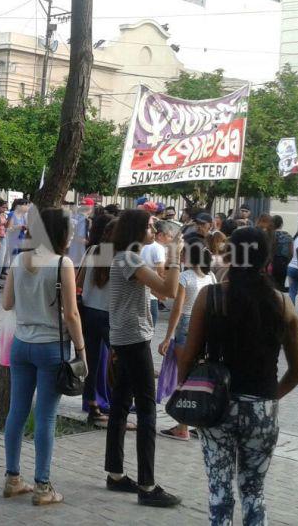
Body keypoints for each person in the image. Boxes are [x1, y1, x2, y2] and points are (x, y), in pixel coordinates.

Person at [178, 227, 298, 525]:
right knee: (254, 490)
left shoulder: (211, 297)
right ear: (267, 258)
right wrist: (269, 397)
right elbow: (297, 370)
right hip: (262, 406)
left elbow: (188, 356)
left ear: (231, 255)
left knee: (219, 490)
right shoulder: (283, 303)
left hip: (218, 406)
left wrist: (186, 390)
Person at [0, 208, 86, 505]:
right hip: (52, 346)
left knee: (17, 412)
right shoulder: (63, 263)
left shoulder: (18, 259)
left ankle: (12, 478)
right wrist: (82, 350)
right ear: (60, 233)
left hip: (21, 344)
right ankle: (42, 485)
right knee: (46, 417)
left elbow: (7, 302)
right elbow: (72, 314)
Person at [104, 209, 183, 508]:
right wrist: (175, 256)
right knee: (147, 410)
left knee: (121, 406)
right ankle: (147, 486)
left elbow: (161, 291)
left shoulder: (128, 258)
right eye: (150, 225)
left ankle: (115, 473)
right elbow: (168, 290)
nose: (155, 229)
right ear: (137, 229)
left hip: (126, 338)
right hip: (133, 340)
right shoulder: (129, 258)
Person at [158, 239, 216, 441]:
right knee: (198, 378)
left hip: (186, 326)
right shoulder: (211, 277)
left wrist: (167, 337)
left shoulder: (185, 277)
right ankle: (198, 423)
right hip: (205, 327)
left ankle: (182, 426)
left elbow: (178, 309)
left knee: (183, 378)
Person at [77, 213, 115, 427]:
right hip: (109, 313)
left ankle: (91, 404)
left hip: (90, 311)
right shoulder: (120, 255)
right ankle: (116, 403)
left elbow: (79, 280)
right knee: (117, 361)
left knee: (91, 361)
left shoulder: (92, 250)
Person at [140, 220, 170, 327]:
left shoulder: (141, 245)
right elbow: (161, 273)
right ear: (161, 235)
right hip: (150, 296)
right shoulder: (158, 248)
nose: (170, 239)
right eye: (169, 236)